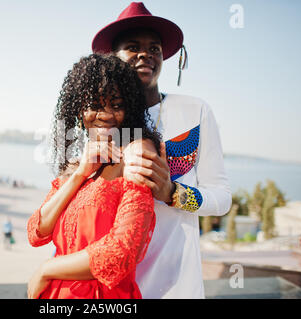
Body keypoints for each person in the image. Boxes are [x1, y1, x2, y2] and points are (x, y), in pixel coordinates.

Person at [91, 2, 232, 298]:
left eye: (154, 48)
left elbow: (222, 199)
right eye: (132, 47)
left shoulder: (195, 111)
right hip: (113, 290)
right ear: (112, 58)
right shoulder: (98, 122)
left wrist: (172, 193)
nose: (146, 54)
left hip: (179, 287)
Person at [27, 54, 162, 299]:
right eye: (95, 104)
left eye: (117, 105)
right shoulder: (79, 163)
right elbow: (37, 231)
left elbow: (120, 254)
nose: (106, 114)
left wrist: (46, 270)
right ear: (79, 109)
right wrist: (80, 174)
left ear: (129, 109)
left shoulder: (135, 153)